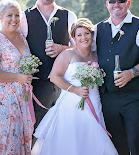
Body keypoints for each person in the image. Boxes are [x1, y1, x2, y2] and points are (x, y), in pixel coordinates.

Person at [0, 0, 77, 144]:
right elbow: (6, 38)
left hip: (65, 84)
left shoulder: (69, 16)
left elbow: (83, 48)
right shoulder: (24, 17)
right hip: (35, 86)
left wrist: (63, 48)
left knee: (63, 132)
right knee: (34, 133)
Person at [31, 18, 118, 155]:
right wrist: (76, 90)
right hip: (72, 103)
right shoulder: (67, 54)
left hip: (94, 100)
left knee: (94, 136)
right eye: (79, 35)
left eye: (87, 33)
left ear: (92, 35)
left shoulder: (97, 55)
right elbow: (54, 77)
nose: (83, 38)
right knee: (72, 139)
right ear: (73, 38)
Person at [95, 0, 139, 155]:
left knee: (135, 139)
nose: (116, 4)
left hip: (135, 96)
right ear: (107, 4)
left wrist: (132, 72)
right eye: (112, 1)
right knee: (117, 142)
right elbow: (82, 49)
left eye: (121, 0)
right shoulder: (98, 29)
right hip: (108, 96)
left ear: (128, 3)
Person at [0, 0, 33, 154]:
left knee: (18, 139)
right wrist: (18, 78)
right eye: (10, 15)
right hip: (0, 99)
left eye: (17, 15)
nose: (14, 19)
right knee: (4, 140)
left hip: (20, 97)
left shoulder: (21, 37)